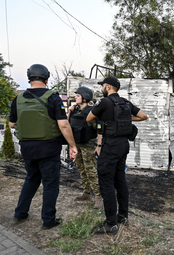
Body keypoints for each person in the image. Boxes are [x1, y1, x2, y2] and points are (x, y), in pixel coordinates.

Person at [9, 64, 77, 229]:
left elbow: (12, 124)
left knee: (31, 179)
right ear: (46, 79)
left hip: (27, 150)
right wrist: (73, 146)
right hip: (48, 149)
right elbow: (64, 125)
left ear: (29, 78)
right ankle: (48, 220)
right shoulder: (53, 98)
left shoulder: (18, 99)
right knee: (50, 183)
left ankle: (20, 213)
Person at [86, 76, 148, 234]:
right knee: (120, 179)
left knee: (106, 183)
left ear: (107, 87)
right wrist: (124, 119)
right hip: (123, 145)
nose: (101, 89)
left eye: (102, 86)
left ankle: (111, 224)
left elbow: (89, 118)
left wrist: (110, 120)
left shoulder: (104, 102)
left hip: (110, 146)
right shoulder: (126, 103)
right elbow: (143, 116)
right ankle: (123, 216)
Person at [68, 86, 103, 209]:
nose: (75, 97)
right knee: (82, 170)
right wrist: (70, 110)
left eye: (78, 95)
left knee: (91, 172)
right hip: (77, 145)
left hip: (89, 145)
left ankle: (99, 197)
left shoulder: (92, 111)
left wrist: (99, 145)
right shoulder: (75, 111)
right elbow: (67, 126)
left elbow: (99, 130)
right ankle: (87, 193)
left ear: (85, 98)